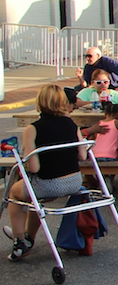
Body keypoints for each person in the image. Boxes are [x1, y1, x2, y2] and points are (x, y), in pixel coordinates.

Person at [4, 86, 87, 261]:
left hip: (49, 184)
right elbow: (83, 155)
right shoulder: (71, 125)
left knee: (15, 193)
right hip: (74, 181)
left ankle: (20, 242)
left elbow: (34, 168)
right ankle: (28, 237)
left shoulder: (33, 129)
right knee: (34, 196)